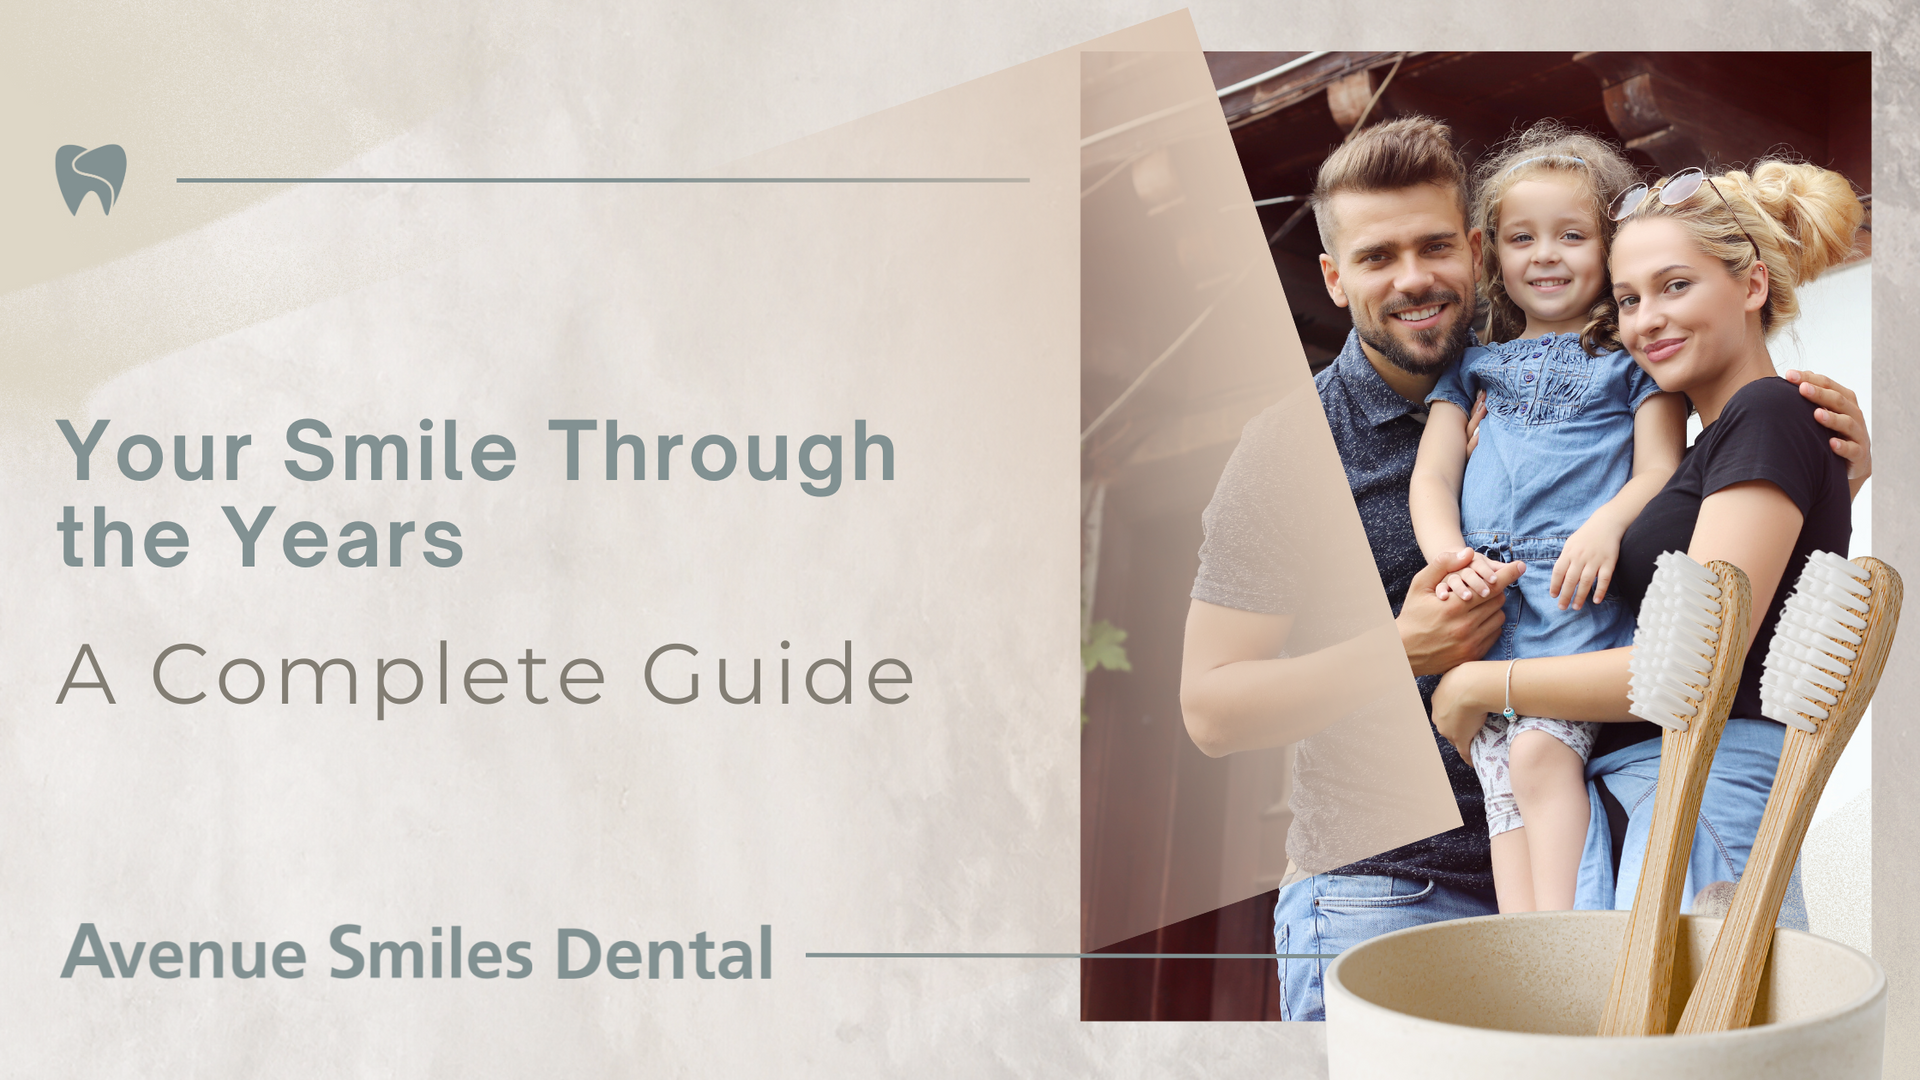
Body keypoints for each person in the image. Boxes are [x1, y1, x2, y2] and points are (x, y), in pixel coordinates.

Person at [1179, 114, 1874, 1023]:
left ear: (1474, 249)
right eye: (1378, 256)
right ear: (1333, 276)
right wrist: (1406, 652)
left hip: (1592, 865)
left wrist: (1832, 468)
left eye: (1435, 246)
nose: (1414, 277)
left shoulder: (1600, 381)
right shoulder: (1293, 448)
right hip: (1385, 894)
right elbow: (1212, 708)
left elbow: (1701, 532)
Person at [1430, 159, 1867, 924]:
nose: (1646, 321)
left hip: (1703, 793)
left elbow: (1693, 662)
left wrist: (1480, 687)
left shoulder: (1767, 414)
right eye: (1627, 300)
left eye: (1675, 286)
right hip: (1655, 794)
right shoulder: (1716, 446)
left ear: (1752, 286)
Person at [1409, 125, 1684, 913]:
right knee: (1500, 780)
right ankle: (1521, 959)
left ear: (1608, 247)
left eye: (1573, 235)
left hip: (1573, 595)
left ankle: (1560, 938)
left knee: (1537, 755)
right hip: (1491, 599)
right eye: (1523, 238)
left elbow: (1660, 469)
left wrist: (1606, 525)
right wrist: (1449, 558)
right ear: (1493, 254)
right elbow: (1434, 474)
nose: (1548, 255)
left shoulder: (1630, 363)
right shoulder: (1473, 366)